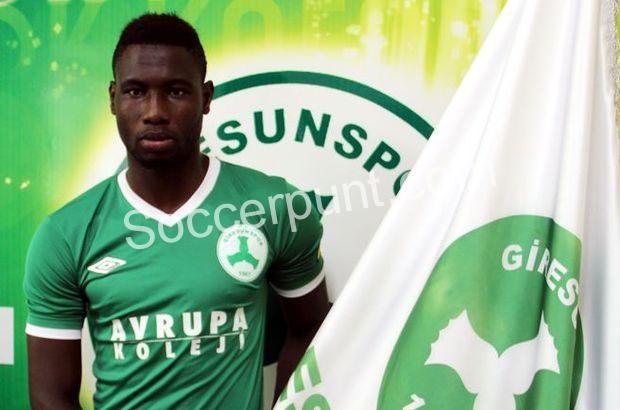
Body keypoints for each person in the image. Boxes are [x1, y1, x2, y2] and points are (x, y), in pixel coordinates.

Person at [24, 13, 329, 409]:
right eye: (136, 91)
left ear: (206, 97)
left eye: (176, 91)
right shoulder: (66, 234)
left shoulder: (276, 207)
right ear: (113, 98)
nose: (154, 111)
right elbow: (50, 396)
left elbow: (311, 329)